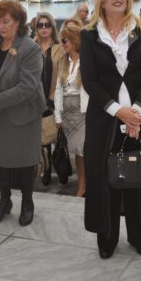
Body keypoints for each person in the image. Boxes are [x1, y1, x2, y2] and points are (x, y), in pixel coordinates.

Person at [81, 0, 141, 259]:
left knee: (139, 175)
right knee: (106, 180)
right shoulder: (89, 35)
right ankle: (107, 237)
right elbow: (90, 81)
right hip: (104, 120)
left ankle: (140, 236)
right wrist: (120, 112)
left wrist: (136, 114)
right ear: (101, 0)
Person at [0, 0, 46, 226]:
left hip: (23, 113)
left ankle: (27, 203)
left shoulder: (29, 48)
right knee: (2, 160)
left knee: (25, 162)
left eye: (6, 21)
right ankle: (4, 202)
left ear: (18, 22)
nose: (1, 26)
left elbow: (28, 87)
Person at [53, 23, 89, 196]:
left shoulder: (87, 60)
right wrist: (57, 116)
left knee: (82, 150)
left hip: (83, 111)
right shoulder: (63, 61)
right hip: (67, 113)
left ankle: (83, 186)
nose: (62, 44)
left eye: (65, 40)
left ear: (74, 41)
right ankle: (83, 183)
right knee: (76, 151)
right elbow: (58, 89)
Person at [32, 12, 63, 186]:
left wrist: (53, 99)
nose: (44, 28)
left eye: (47, 25)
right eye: (40, 25)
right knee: (41, 135)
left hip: (53, 98)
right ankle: (47, 167)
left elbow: (62, 75)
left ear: (52, 27)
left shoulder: (59, 48)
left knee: (54, 134)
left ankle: (60, 165)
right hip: (35, 99)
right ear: (36, 28)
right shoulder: (31, 47)